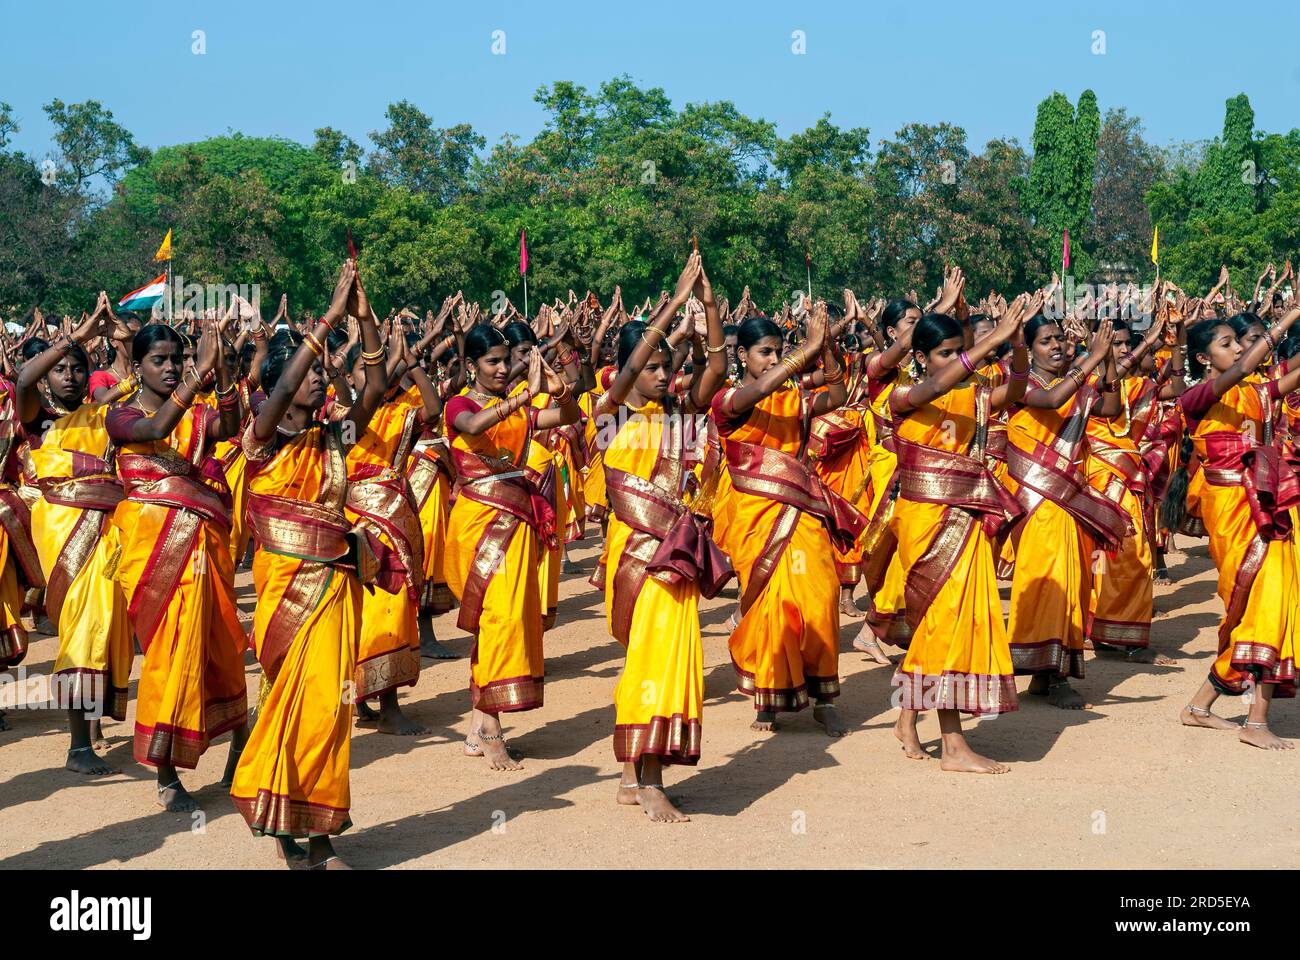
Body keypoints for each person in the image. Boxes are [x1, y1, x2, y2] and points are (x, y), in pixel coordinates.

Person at [230, 260, 388, 869]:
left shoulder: (332, 439)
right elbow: (274, 400)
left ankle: (316, 825)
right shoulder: (262, 438)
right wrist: (324, 319)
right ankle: (289, 828)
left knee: (330, 708)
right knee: (300, 699)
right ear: (281, 384)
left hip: (335, 588)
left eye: (325, 372)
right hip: (288, 593)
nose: (324, 380)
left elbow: (373, 388)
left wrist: (365, 318)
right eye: (313, 374)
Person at [592, 251, 728, 822]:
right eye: (651, 366)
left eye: (665, 367)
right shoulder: (612, 411)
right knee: (651, 659)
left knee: (661, 661)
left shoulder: (679, 417)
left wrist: (711, 307)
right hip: (638, 556)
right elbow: (628, 374)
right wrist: (673, 302)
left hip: (673, 556)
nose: (660, 375)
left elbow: (717, 372)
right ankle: (649, 782)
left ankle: (634, 774)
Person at [105, 316, 249, 811]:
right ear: (138, 365)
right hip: (153, 556)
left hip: (204, 546)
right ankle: (166, 773)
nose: (170, 368)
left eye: (177, 359)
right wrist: (196, 377)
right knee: (170, 657)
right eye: (159, 360)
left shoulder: (197, 412)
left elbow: (229, 427)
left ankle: (239, 749)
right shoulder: (121, 415)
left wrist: (223, 372)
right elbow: (155, 427)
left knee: (225, 647)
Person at [889, 297, 1036, 771]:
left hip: (968, 513)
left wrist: (1015, 346)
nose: (954, 361)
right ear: (921, 358)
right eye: (944, 353)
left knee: (945, 623)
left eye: (959, 351)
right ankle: (953, 746)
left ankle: (909, 717)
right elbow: (937, 385)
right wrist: (989, 340)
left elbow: (1014, 390)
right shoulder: (904, 395)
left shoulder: (972, 395)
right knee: (945, 621)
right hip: (927, 520)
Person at [711, 301, 865, 734]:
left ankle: (824, 696)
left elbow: (837, 394)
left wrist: (827, 345)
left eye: (780, 351)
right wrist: (807, 350)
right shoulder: (729, 401)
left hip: (802, 510)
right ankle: (769, 695)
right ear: (743, 355)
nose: (775, 360)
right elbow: (757, 393)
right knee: (770, 603)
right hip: (756, 517)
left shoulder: (793, 396)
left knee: (820, 596)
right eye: (766, 352)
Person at [443, 323, 580, 769]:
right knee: (496, 619)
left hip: (514, 523)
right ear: (471, 366)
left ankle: (484, 726)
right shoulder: (459, 404)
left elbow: (569, 418)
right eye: (492, 362)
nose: (503, 369)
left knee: (506, 620)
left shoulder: (515, 409)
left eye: (506, 361)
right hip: (477, 526)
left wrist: (560, 392)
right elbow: (475, 425)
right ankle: (489, 729)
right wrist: (524, 394)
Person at [20, 295, 133, 773]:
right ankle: (77, 745)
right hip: (62, 527)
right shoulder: (35, 416)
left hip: (106, 527)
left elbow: (131, 385)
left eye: (78, 367)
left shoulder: (102, 412)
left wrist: (123, 342)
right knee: (80, 629)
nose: (69, 374)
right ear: (47, 376)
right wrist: (79, 337)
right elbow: (22, 379)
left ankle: (91, 723)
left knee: (106, 625)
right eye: (61, 368)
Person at [1177, 308, 1300, 748]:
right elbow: (1250, 364)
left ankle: (1202, 708)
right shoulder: (1198, 398)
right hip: (1232, 507)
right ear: (1203, 359)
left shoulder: (1256, 392)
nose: (1238, 348)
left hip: (1268, 504)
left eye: (1238, 340)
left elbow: (1286, 373)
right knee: (1258, 603)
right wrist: (1294, 314)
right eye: (1226, 343)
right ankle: (1255, 723)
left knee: (1273, 601)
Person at [1004, 314, 1126, 709]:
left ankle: (1048, 674)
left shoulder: (1073, 383)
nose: (1055, 345)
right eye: (1045, 341)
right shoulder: (1019, 386)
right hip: (1039, 500)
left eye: (1059, 338)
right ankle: (1050, 675)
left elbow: (1111, 406)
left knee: (1073, 583)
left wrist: (1106, 362)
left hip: (1069, 498)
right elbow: (1053, 401)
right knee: (1047, 583)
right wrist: (1092, 357)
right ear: (1028, 349)